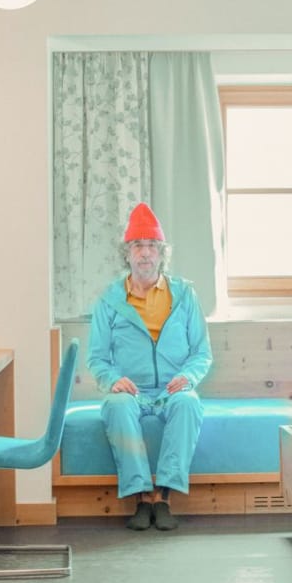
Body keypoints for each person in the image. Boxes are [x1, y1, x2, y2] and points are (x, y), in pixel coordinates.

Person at [86, 203, 212, 531]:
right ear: (126, 255)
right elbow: (96, 357)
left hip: (173, 389)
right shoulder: (109, 299)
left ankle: (164, 497)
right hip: (132, 391)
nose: (144, 254)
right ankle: (141, 497)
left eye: (151, 247)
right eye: (137, 246)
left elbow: (202, 352)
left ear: (161, 254)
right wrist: (112, 379)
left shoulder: (184, 295)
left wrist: (188, 377)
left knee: (189, 403)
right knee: (115, 406)